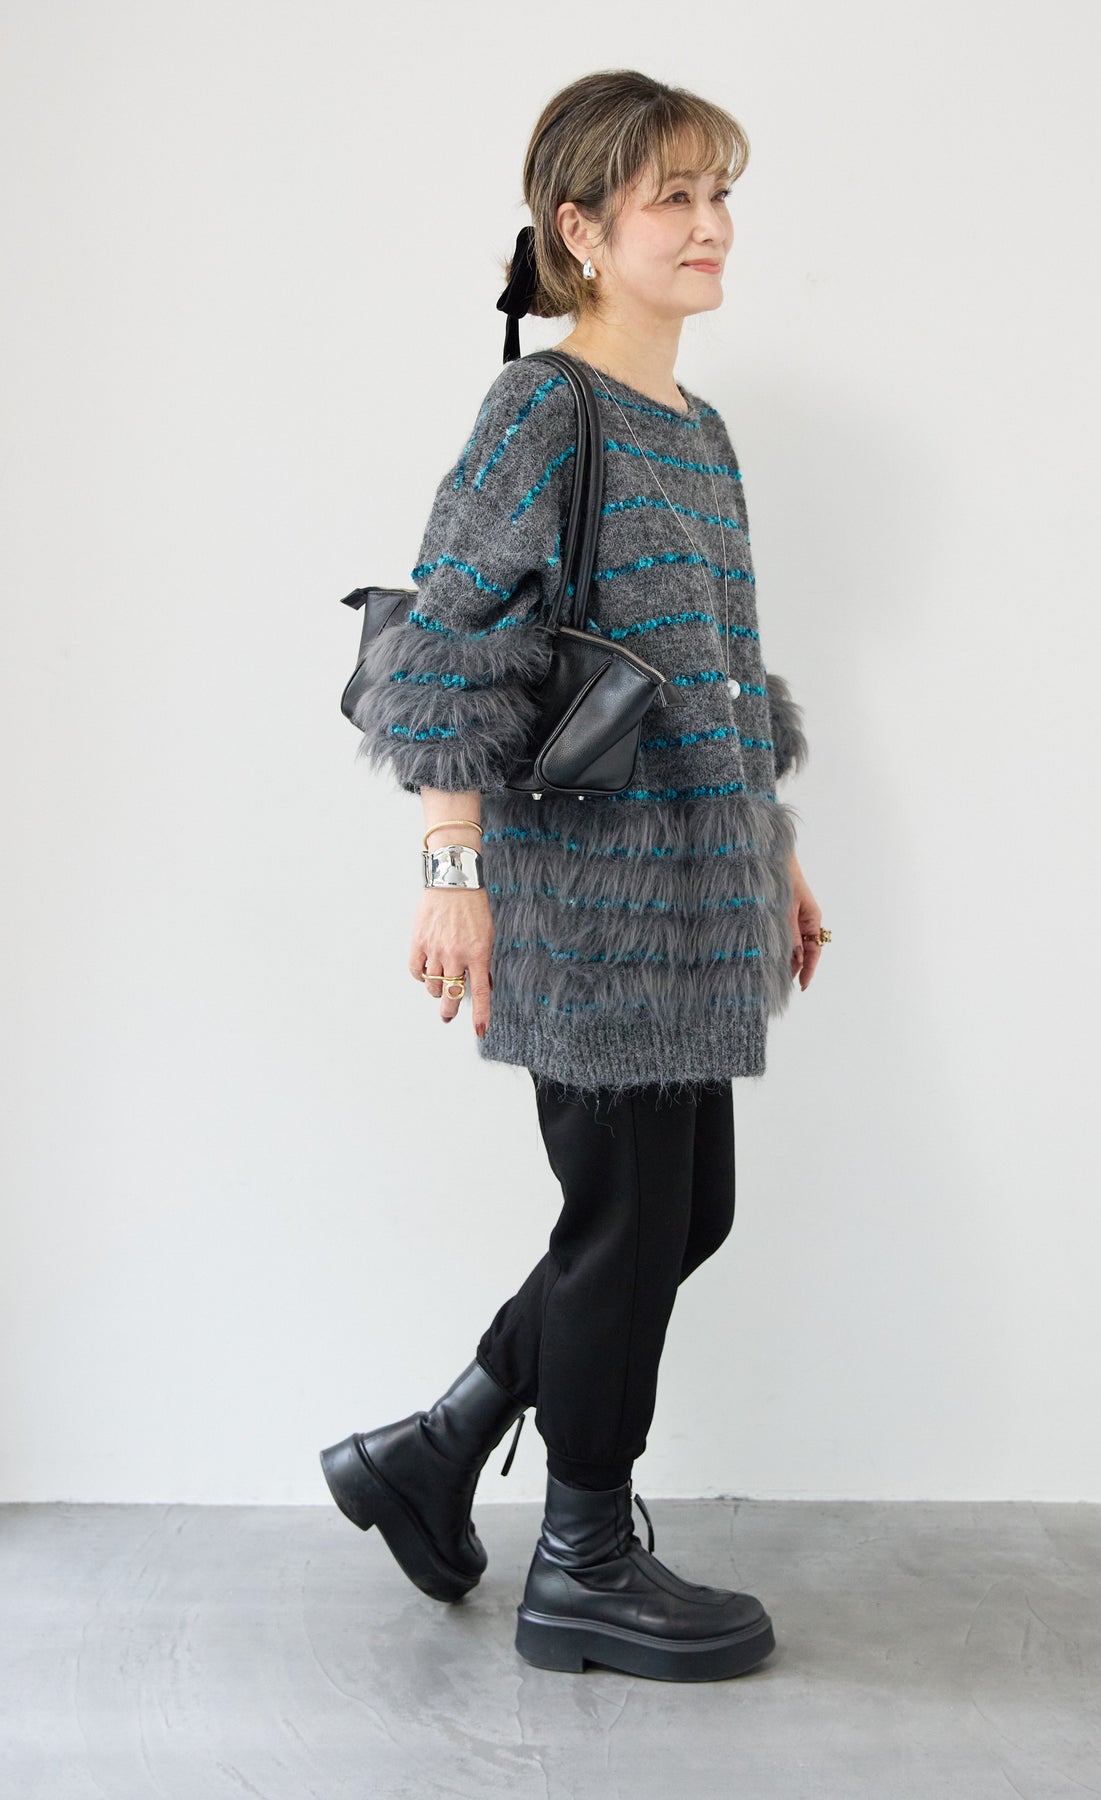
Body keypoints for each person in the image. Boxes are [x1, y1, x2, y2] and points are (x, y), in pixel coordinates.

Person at [319, 68, 829, 1684]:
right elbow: (443, 650)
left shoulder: (702, 432)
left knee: (682, 1215)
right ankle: (584, 1563)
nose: (710, 224)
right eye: (673, 196)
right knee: (624, 1222)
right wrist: (449, 865)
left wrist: (773, 851)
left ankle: (436, 1447)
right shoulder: (544, 412)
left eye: (719, 192)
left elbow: (722, 670)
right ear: (581, 231)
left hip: (697, 892)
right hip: (586, 900)